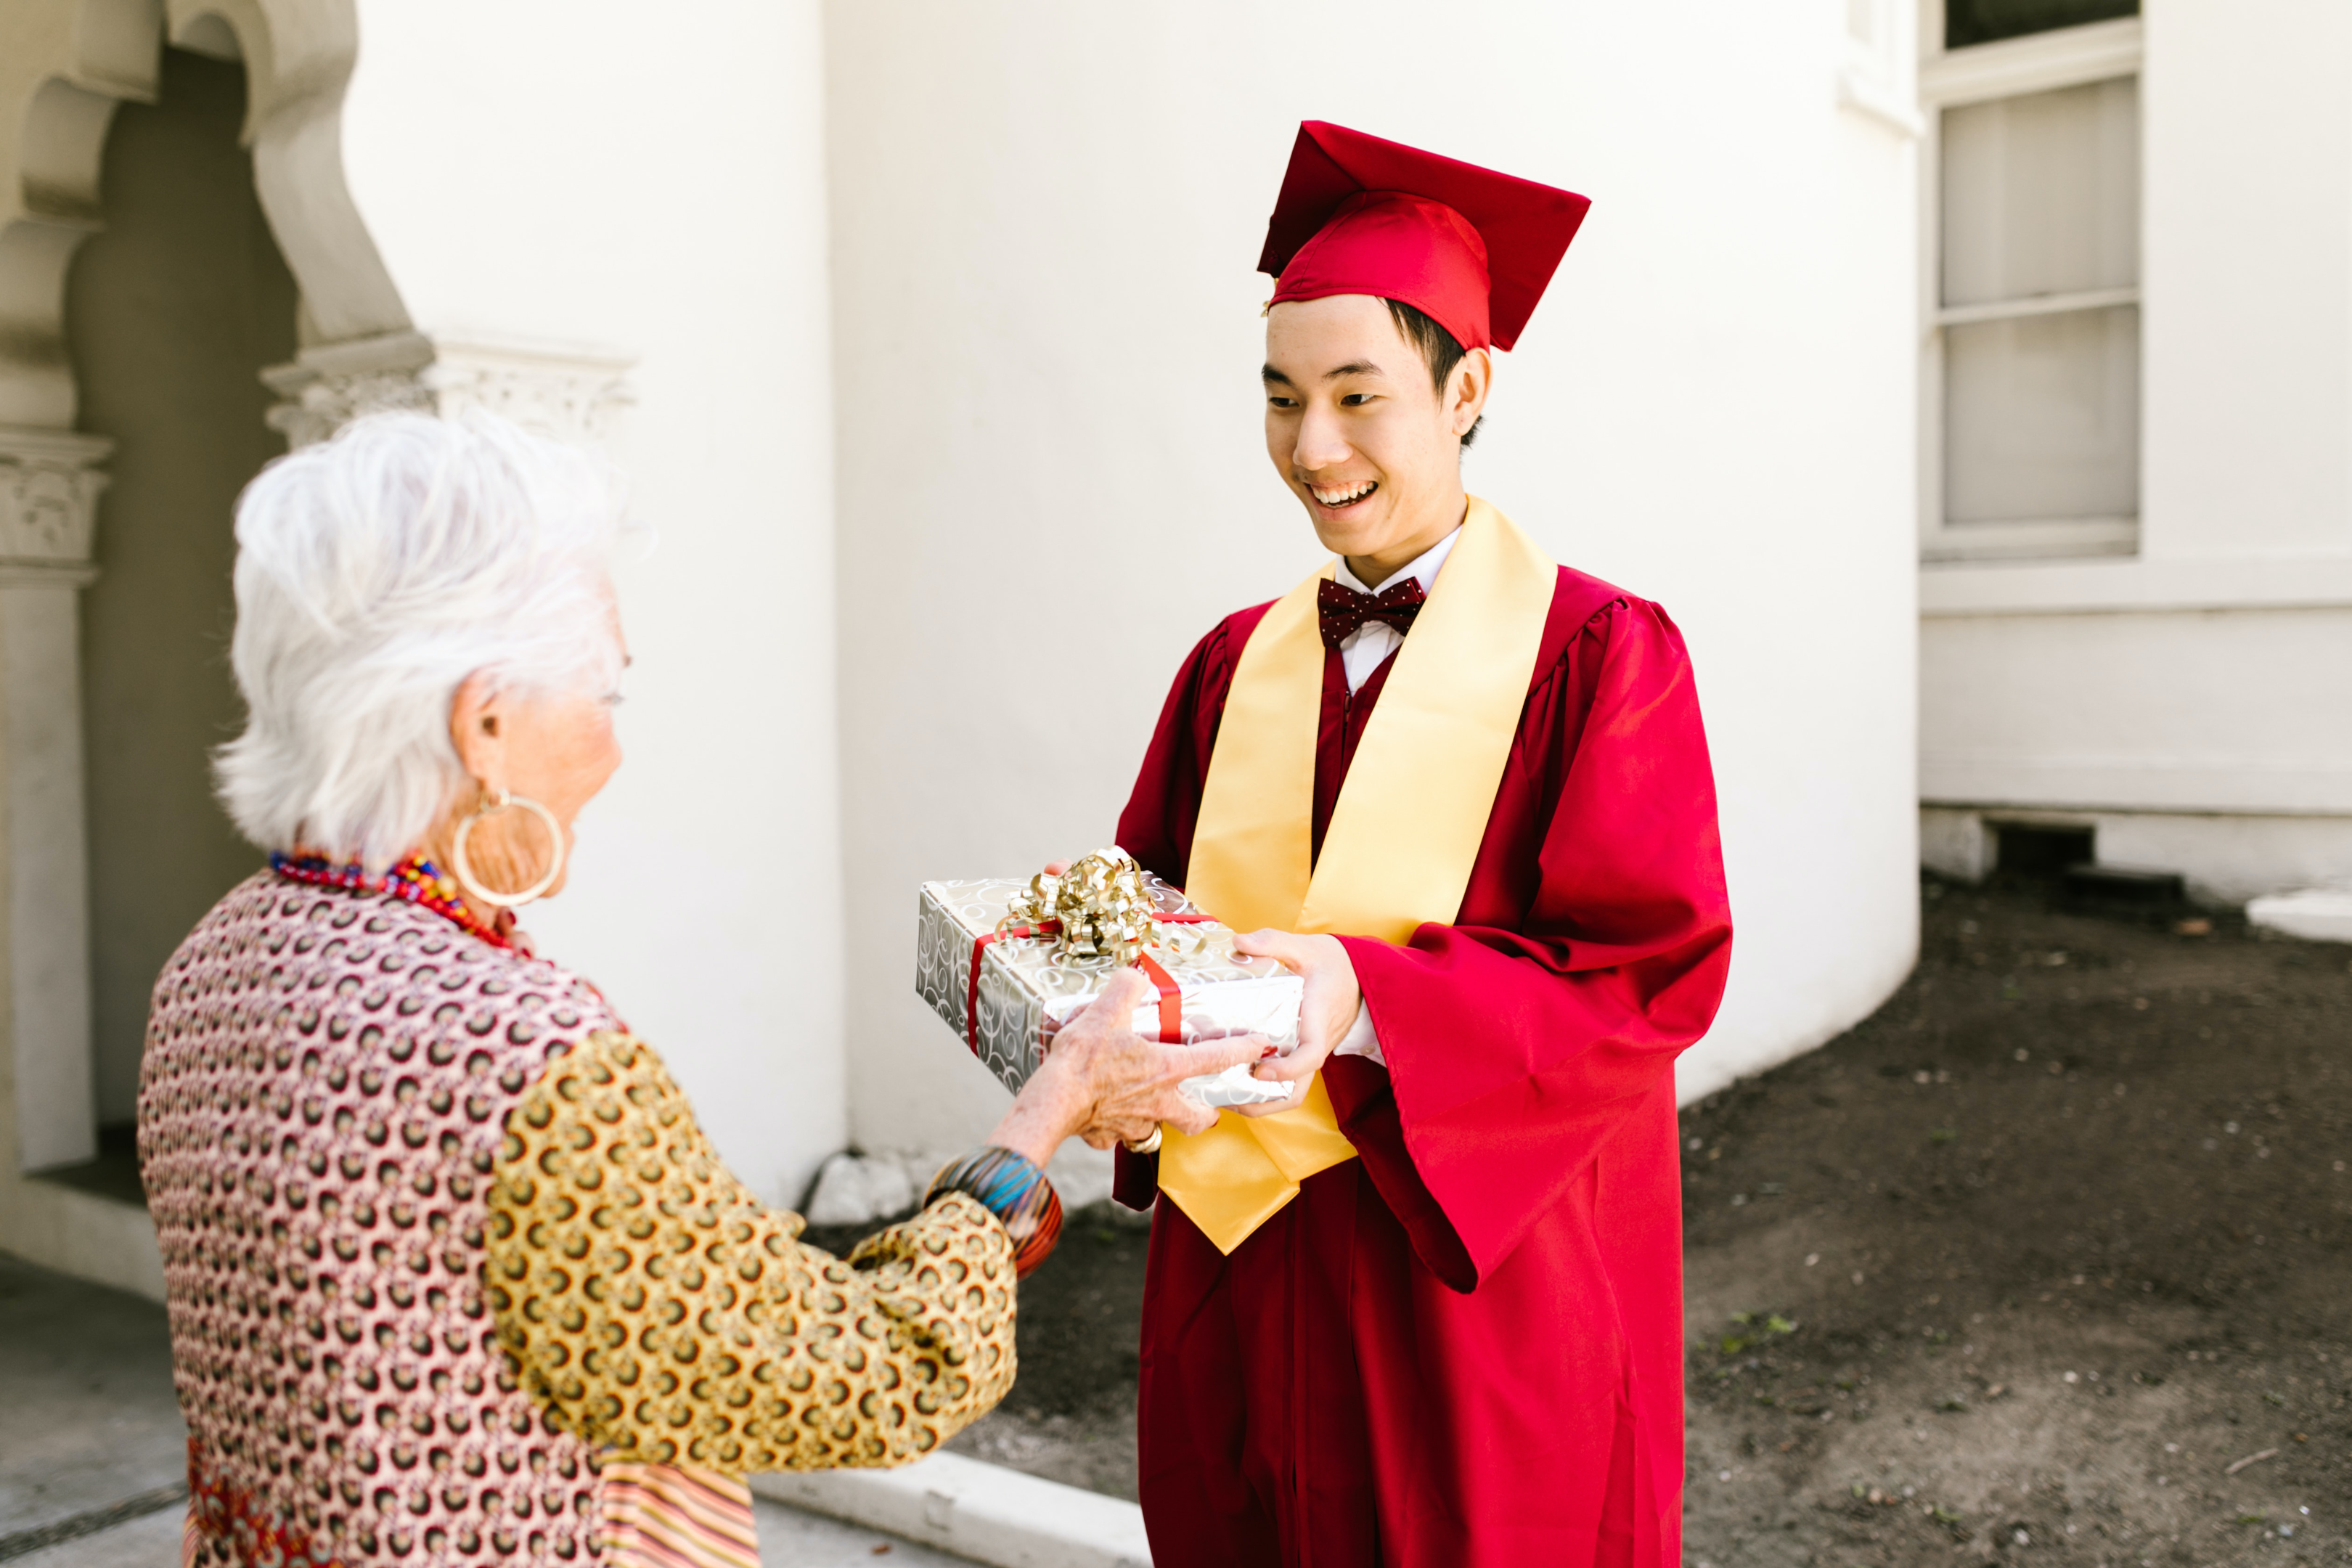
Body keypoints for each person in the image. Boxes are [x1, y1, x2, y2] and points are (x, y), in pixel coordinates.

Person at [138, 410, 1257, 1568]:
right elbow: (881, 1373)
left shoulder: (215, 965)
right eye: (603, 696)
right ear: (485, 725)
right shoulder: (526, 1062)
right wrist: (1045, 1114)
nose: (613, 751)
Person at [1097, 123, 1734, 1567]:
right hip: (1242, 1259)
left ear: (1468, 387)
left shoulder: (1599, 654)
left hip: (1468, 1276)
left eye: (1358, 396)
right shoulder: (1230, 665)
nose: (1312, 448)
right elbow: (1145, 902)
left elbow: (1647, 973)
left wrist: (1365, 992)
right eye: (1280, 399)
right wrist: (1098, 1017)